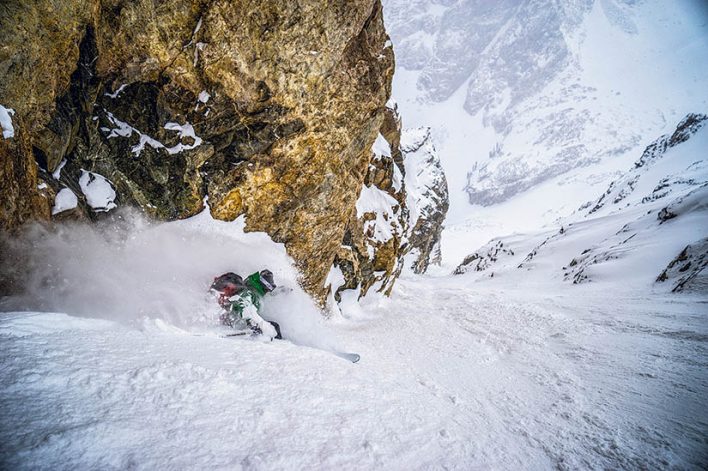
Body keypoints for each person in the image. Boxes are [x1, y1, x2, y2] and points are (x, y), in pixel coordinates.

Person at [210, 270, 282, 340]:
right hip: (236, 320)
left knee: (274, 327)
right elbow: (245, 307)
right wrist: (252, 323)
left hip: (238, 320)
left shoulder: (249, 292)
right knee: (275, 327)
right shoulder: (249, 292)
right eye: (268, 289)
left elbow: (245, 307)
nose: (268, 291)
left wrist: (283, 290)